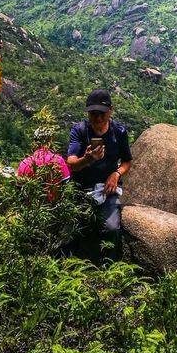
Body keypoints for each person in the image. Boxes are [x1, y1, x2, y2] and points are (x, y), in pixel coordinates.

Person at [67, 89, 132, 259]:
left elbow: (127, 162)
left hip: (107, 188)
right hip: (81, 188)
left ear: (110, 110)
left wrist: (116, 174)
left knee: (111, 228)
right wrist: (87, 160)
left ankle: (110, 270)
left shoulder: (119, 132)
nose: (98, 118)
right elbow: (71, 164)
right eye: (93, 114)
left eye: (102, 113)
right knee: (73, 229)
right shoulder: (79, 131)